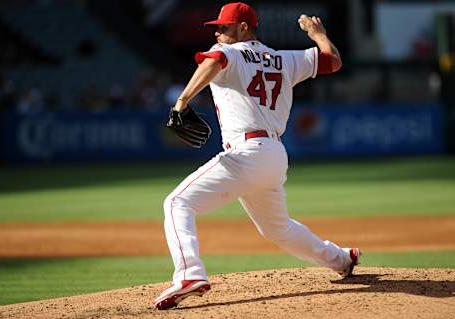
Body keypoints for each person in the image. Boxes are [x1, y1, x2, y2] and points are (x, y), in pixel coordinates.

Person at [154, 2, 361, 310]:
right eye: (217, 27)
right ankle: (341, 259)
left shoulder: (230, 52)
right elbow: (333, 61)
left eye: (224, 26)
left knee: (177, 202)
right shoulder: (285, 59)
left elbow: (214, 61)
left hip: (246, 152)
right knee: (278, 229)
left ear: (244, 28)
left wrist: (182, 101)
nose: (218, 31)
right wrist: (318, 34)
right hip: (274, 154)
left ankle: (189, 275)